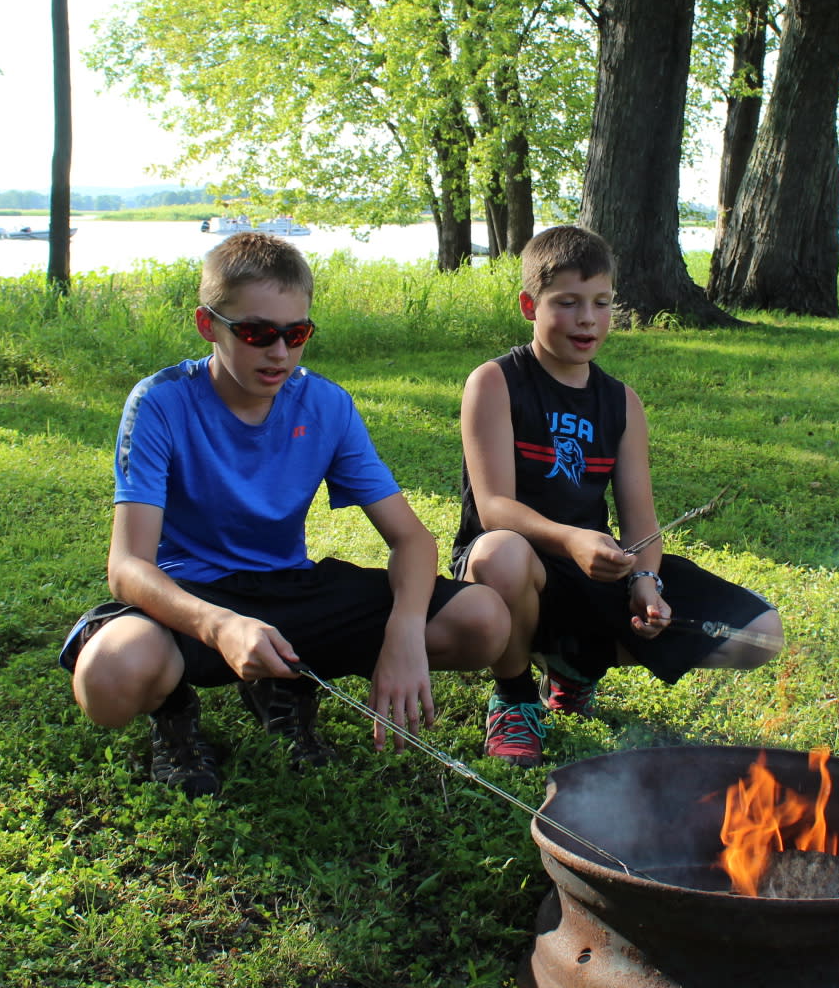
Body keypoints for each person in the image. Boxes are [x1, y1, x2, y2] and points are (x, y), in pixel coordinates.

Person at [60, 231, 509, 797]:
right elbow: (128, 567)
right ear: (208, 326)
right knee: (108, 681)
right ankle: (174, 713)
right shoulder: (159, 402)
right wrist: (219, 624)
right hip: (193, 598)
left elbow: (413, 541)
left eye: (295, 334)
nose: (279, 353)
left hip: (290, 591)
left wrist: (404, 634)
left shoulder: (325, 404)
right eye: (255, 333)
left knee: (483, 621)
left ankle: (283, 683)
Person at [452, 225, 784, 766]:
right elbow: (494, 510)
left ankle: (574, 667)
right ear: (528, 305)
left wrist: (645, 583)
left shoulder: (621, 402)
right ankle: (514, 697)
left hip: (594, 572)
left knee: (762, 636)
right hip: (514, 566)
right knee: (502, 552)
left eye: (602, 302)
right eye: (568, 303)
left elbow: (640, 523)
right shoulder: (495, 382)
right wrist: (572, 539)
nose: (588, 319)